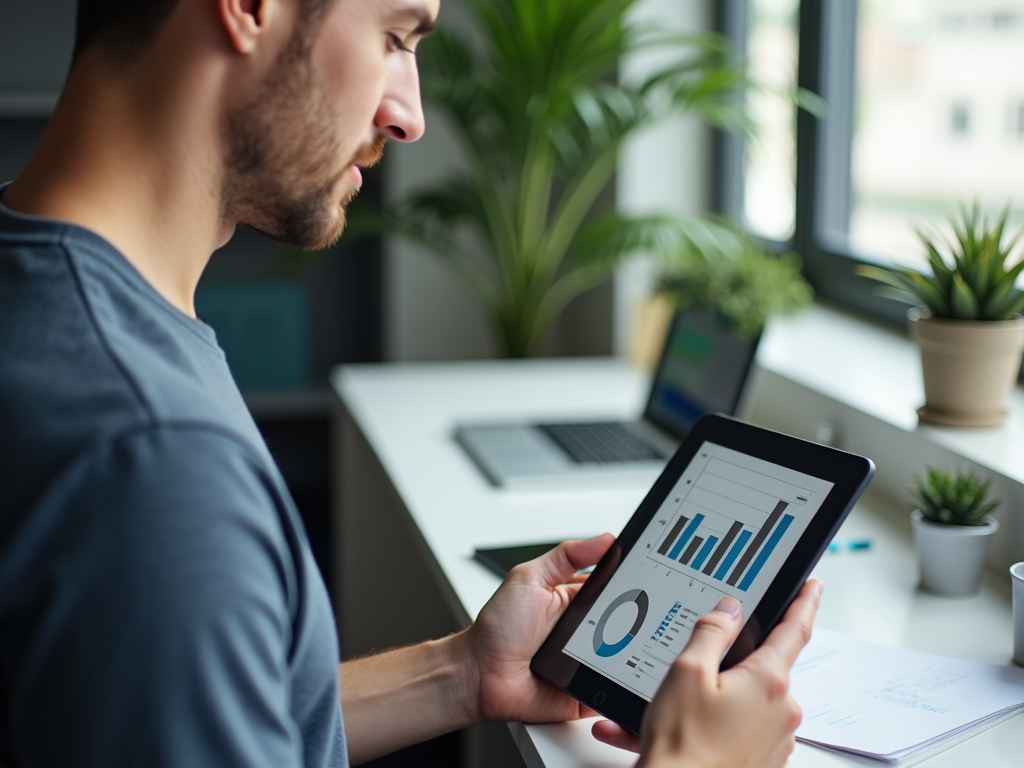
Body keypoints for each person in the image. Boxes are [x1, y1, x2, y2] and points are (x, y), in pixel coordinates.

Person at [0, 0, 822, 766]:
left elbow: (200, 704)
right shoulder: (152, 460)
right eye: (395, 38)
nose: (410, 115)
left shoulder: (59, 301)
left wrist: (462, 672)